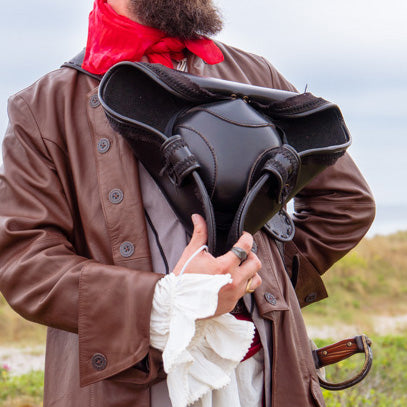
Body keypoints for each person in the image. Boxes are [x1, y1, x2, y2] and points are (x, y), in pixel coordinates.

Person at [0, 0, 375, 406]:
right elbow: (25, 262)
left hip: (263, 380)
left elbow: (345, 203)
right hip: (132, 389)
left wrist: (256, 276)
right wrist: (167, 301)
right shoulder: (43, 106)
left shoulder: (254, 73)